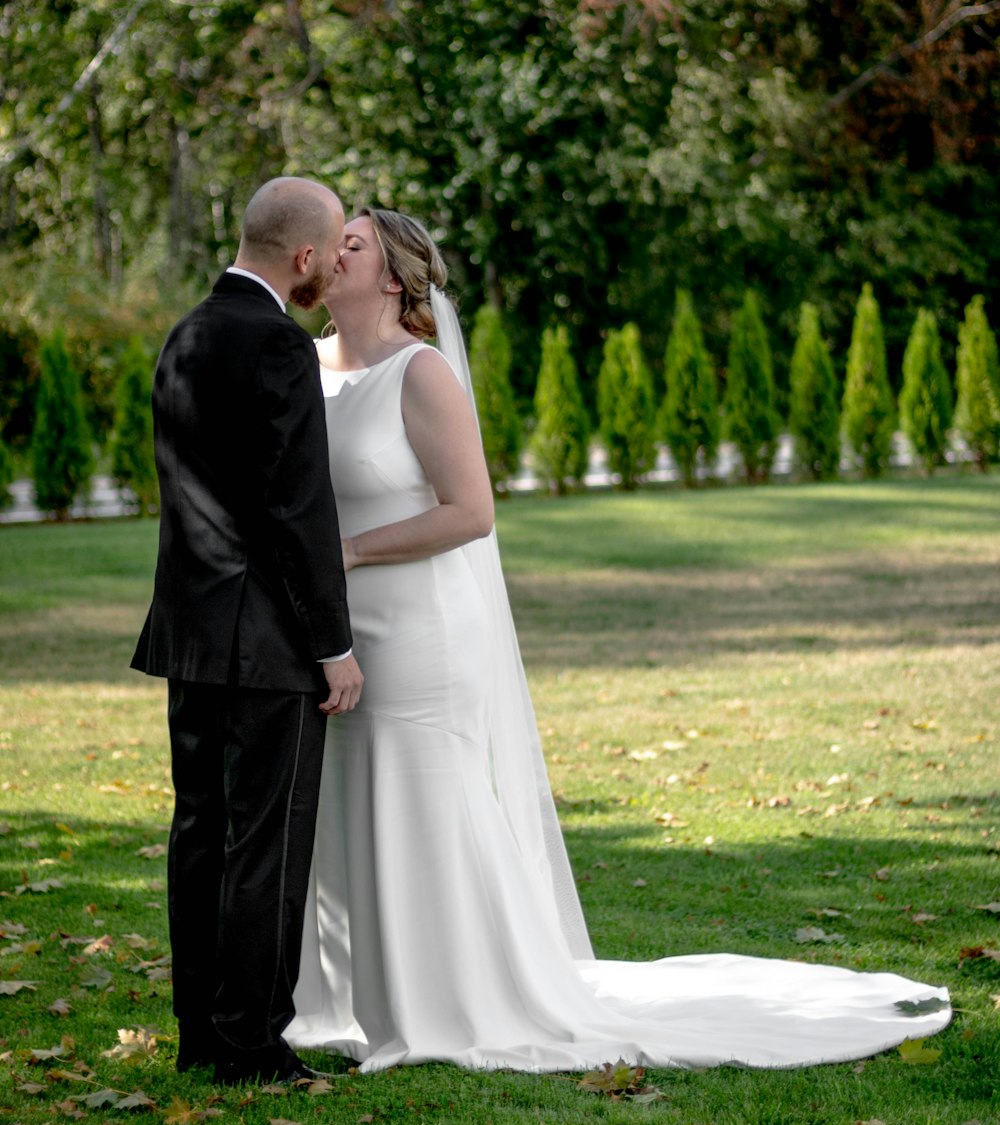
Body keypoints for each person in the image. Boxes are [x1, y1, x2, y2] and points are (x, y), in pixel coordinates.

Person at [285, 208, 951, 1073]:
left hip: (417, 627)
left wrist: (349, 552)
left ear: (393, 277)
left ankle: (449, 999)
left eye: (355, 242)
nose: (334, 249)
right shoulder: (303, 366)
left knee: (417, 796)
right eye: (333, 237)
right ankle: (353, 996)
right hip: (332, 630)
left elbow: (471, 512)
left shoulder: (423, 375)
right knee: (346, 799)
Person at [131, 177, 364, 1086]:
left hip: (190, 635)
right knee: (265, 841)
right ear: (302, 259)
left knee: (201, 833)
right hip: (265, 640)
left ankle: (202, 1033)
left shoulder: (185, 333)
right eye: (332, 250)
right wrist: (333, 646)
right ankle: (254, 1046)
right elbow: (296, 512)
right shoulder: (279, 345)